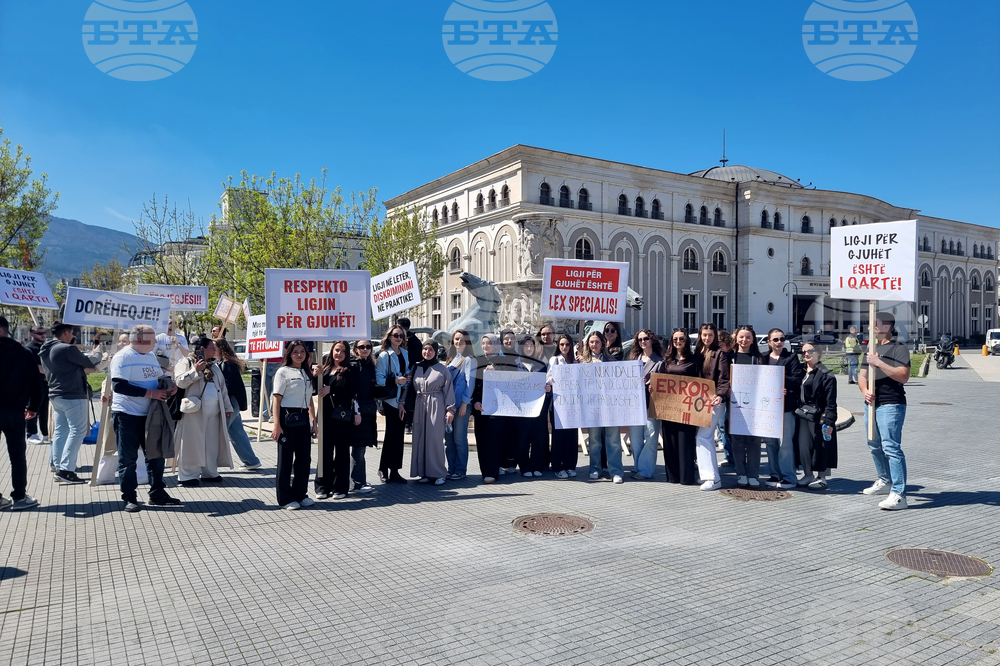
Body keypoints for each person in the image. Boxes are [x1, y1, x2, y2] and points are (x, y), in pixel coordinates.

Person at [109, 324, 181, 512]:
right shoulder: (123, 357)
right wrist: (150, 393)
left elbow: (158, 378)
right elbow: (118, 386)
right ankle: (129, 498)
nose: (156, 341)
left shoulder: (150, 356)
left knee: (156, 455)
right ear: (139, 340)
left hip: (151, 414)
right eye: (152, 338)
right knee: (128, 459)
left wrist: (168, 385)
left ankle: (157, 494)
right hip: (127, 415)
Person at [39, 322, 105, 483]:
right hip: (73, 395)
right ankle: (66, 469)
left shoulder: (45, 349)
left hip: (56, 395)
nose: (73, 337)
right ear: (66, 333)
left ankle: (58, 466)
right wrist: (98, 351)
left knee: (61, 432)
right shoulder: (66, 348)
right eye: (72, 333)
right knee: (78, 431)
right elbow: (90, 362)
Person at [859, 312, 911, 511]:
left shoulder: (899, 348)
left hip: (891, 404)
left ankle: (899, 494)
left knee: (891, 447)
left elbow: (903, 376)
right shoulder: (871, 349)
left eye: (874, 324)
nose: (869, 328)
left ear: (887, 326)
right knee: (874, 444)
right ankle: (884, 480)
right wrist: (865, 391)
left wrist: (879, 362)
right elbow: (862, 376)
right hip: (871, 404)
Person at [173, 338, 234, 486]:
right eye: (212, 347)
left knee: (211, 443)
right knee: (191, 443)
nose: (215, 350)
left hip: (214, 412)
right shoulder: (186, 362)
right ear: (202, 348)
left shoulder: (214, 366)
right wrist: (195, 371)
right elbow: (179, 382)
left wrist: (228, 407)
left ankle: (210, 472)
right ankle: (188, 476)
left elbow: (222, 388)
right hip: (193, 411)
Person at [0, 315, 42, 511]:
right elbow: (36, 384)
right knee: (17, 456)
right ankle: (19, 496)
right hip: (15, 411)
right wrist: (33, 407)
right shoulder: (23, 352)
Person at [271, 341, 317, 510]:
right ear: (289, 354)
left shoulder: (306, 372)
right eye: (295, 352)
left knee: (304, 458)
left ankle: (300, 494)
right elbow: (276, 400)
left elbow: (310, 399)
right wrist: (277, 425)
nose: (299, 355)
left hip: (303, 417)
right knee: (285, 459)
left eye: (302, 351)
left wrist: (314, 422)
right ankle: (285, 498)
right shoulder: (283, 372)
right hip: (287, 417)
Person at [405, 340, 455, 485]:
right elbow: (409, 386)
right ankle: (424, 472)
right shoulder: (416, 367)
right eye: (425, 349)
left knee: (434, 439)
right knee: (420, 438)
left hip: (436, 404)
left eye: (431, 349)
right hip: (419, 405)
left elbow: (448, 390)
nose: (427, 352)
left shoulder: (442, 369)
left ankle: (439, 473)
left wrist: (450, 409)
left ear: (436, 351)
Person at [315, 341, 361, 499]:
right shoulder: (325, 369)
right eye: (336, 350)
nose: (339, 353)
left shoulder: (351, 369)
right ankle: (322, 486)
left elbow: (352, 392)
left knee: (341, 452)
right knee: (324, 451)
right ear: (331, 351)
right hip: (325, 415)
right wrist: (315, 375)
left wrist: (332, 390)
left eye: (343, 351)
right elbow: (315, 390)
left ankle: (340, 487)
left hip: (342, 416)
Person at [580, 331, 625, 484]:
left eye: (597, 342)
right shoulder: (583, 363)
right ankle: (594, 469)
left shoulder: (611, 360)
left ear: (602, 343)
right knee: (594, 440)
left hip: (611, 406)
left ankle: (616, 471)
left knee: (613, 440)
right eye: (591, 342)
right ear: (588, 344)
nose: (594, 345)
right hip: (592, 406)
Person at [762, 328, 803, 490]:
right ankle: (775, 474)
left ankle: (789, 476)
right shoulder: (762, 358)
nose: (779, 342)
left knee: (785, 443)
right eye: (776, 339)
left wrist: (778, 378)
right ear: (769, 342)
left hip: (786, 406)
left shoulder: (791, 357)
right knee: (770, 442)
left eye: (782, 339)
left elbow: (797, 379)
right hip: (767, 408)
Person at [796, 342, 838, 490]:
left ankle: (822, 478)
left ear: (818, 352)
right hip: (802, 414)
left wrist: (829, 421)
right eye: (803, 352)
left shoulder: (827, 375)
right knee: (803, 445)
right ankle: (808, 474)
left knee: (821, 445)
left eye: (810, 351)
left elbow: (831, 402)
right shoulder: (800, 370)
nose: (806, 354)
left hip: (819, 415)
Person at [215, 338, 261, 471]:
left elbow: (230, 386)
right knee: (237, 433)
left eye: (214, 347)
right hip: (233, 403)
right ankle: (251, 461)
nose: (212, 349)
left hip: (230, 403)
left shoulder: (227, 364)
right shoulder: (225, 363)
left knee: (219, 432)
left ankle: (211, 463)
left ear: (220, 349)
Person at [661, 329, 700, 486]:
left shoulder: (694, 359)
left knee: (685, 441)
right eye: (675, 339)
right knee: (670, 440)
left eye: (681, 339)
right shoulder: (667, 359)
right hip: (669, 406)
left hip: (687, 407)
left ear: (686, 340)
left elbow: (699, 380)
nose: (678, 341)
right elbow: (662, 379)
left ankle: (686, 476)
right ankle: (673, 476)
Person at [729, 326, 766, 488]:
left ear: (753, 339)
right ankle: (741, 473)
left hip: (755, 406)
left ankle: (753, 474)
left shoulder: (758, 358)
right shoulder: (730, 356)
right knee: (737, 441)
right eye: (741, 337)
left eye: (748, 337)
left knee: (754, 440)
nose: (744, 340)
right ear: (736, 338)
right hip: (735, 405)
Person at [694, 323, 729, 491]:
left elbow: (724, 378)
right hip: (698, 401)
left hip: (714, 401)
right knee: (702, 437)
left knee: (704, 436)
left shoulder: (720, 353)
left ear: (715, 336)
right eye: (704, 335)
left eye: (710, 335)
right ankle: (708, 475)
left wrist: (720, 395)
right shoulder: (698, 352)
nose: (707, 338)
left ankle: (713, 478)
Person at [627, 329, 664, 480]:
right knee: (635, 439)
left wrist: (650, 383)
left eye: (646, 338)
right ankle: (637, 467)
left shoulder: (660, 361)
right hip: (635, 405)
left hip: (651, 404)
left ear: (652, 340)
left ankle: (646, 470)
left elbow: (663, 384)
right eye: (640, 339)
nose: (643, 341)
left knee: (651, 438)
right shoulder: (633, 359)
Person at [376, 325, 410, 483]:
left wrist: (407, 378)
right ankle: (383, 468)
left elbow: (406, 371)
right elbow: (379, 379)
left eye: (401, 335)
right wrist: (396, 380)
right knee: (391, 434)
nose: (399, 338)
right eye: (396, 335)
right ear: (389, 337)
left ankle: (395, 470)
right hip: (390, 400)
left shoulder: (404, 353)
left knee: (399, 435)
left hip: (402, 398)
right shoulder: (384, 355)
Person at [471, 334, 504, 484]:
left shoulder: (503, 361)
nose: (485, 346)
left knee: (493, 440)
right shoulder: (478, 361)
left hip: (498, 408)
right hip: (481, 408)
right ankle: (484, 470)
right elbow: (472, 384)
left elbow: (510, 381)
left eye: (489, 343)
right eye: (483, 343)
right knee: (481, 438)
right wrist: (475, 402)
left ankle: (492, 471)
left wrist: (497, 370)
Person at [516, 335, 550, 477]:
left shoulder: (541, 365)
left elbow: (547, 383)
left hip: (538, 408)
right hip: (522, 409)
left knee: (538, 438)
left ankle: (537, 466)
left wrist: (547, 388)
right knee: (523, 438)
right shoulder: (515, 365)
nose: (529, 348)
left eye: (531, 346)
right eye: (526, 346)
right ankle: (524, 467)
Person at [444, 330, 475, 480]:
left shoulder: (469, 360)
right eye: (456, 339)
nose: (458, 342)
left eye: (462, 340)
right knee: (449, 439)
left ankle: (461, 470)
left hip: (461, 405)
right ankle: (451, 468)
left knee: (459, 439)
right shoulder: (451, 359)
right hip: (449, 406)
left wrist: (464, 403)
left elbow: (470, 383)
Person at [547, 334, 579, 479]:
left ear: (571, 346)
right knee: (558, 435)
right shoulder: (554, 360)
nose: (564, 347)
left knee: (572, 435)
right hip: (558, 404)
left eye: (567, 344)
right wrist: (555, 379)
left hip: (573, 404)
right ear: (558, 346)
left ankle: (570, 465)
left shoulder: (575, 361)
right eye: (561, 344)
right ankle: (558, 466)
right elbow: (548, 378)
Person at [349, 339, 378, 493]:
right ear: (356, 349)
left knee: (361, 447)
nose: (365, 349)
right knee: (358, 447)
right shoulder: (354, 365)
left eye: (368, 346)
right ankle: (357, 483)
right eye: (362, 347)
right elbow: (352, 391)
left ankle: (358, 480)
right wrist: (356, 411)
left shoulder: (370, 364)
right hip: (359, 411)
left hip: (369, 410)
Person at [23, 325, 49, 445]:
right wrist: (52, 371)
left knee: (45, 409)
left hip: (45, 383)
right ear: (32, 334)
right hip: (33, 384)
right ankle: (31, 434)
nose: (43, 335)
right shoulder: (29, 349)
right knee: (32, 407)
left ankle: (45, 433)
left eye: (44, 333)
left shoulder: (45, 347)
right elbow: (36, 367)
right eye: (40, 333)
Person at [715, 330, 735, 466]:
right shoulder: (716, 356)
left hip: (735, 395)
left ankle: (736, 456)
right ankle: (729, 456)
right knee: (722, 426)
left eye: (721, 345)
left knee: (731, 426)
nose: (719, 348)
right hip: (722, 395)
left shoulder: (733, 357)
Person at [398, 317, 420, 433]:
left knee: (408, 398)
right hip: (400, 373)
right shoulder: (400, 340)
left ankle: (407, 423)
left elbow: (418, 358)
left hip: (410, 374)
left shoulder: (413, 341)